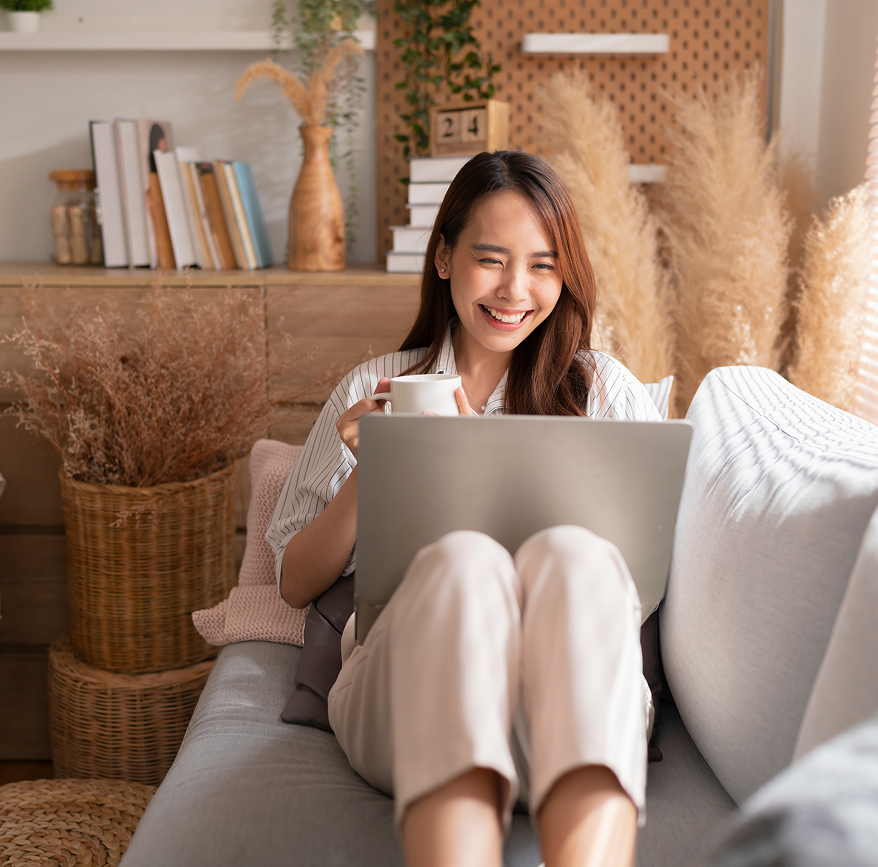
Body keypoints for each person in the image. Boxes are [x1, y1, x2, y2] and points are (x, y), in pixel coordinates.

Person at [267, 150, 663, 867]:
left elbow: (645, 571)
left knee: (574, 556)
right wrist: (376, 464)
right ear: (445, 257)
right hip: (408, 689)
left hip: (568, 704)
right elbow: (294, 580)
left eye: (543, 265)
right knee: (464, 561)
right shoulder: (377, 384)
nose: (516, 289)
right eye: (491, 259)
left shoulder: (602, 392)